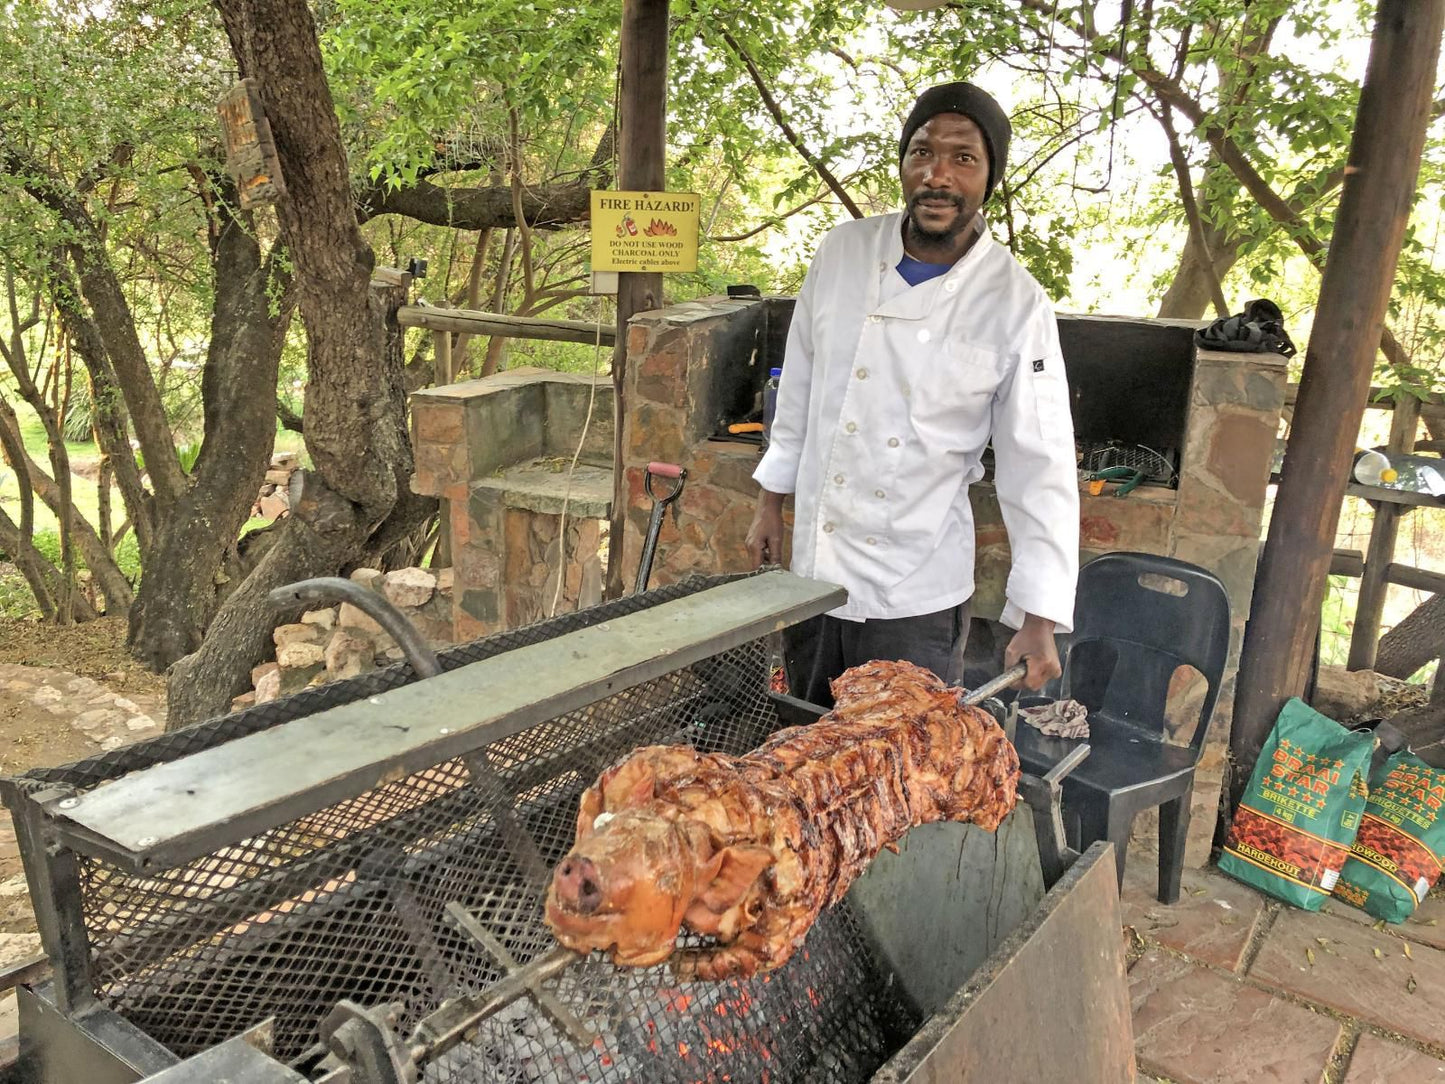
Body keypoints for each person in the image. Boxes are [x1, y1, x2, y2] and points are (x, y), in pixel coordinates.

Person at [746, 80, 1080, 706]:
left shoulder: (1014, 301)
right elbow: (800, 390)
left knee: (896, 780)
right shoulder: (842, 253)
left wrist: (1038, 613)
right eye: (922, 152)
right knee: (802, 757)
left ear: (989, 177)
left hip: (915, 593)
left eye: (963, 158)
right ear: (903, 162)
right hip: (815, 570)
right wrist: (771, 501)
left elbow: (1041, 462)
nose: (938, 175)